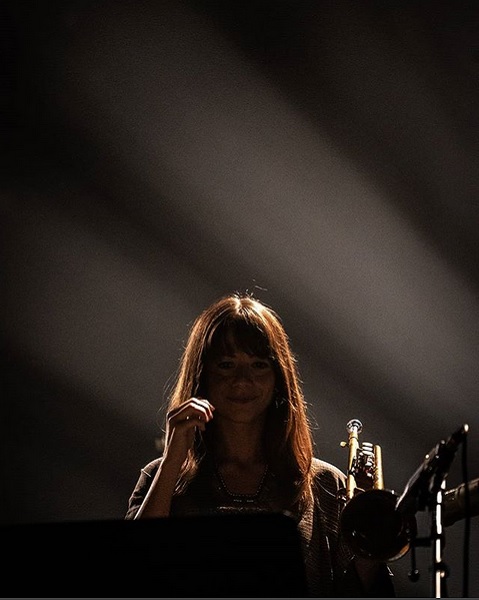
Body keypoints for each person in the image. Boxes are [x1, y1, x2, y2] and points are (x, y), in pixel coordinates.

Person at [125, 292, 396, 597]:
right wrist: (172, 462)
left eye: (258, 365)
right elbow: (130, 576)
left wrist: (372, 533)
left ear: (279, 379)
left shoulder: (326, 485)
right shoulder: (160, 478)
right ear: (202, 376)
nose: (242, 380)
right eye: (226, 365)